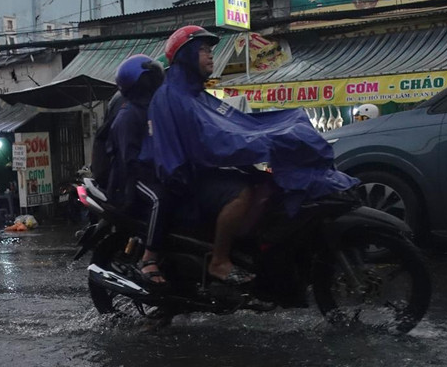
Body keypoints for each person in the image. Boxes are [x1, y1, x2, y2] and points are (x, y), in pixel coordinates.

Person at [144, 25, 356, 285]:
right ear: (185, 55)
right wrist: (262, 142)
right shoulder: (170, 97)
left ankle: (248, 249)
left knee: (268, 184)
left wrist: (274, 132)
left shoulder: (197, 95)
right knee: (240, 195)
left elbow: (235, 125)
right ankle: (219, 260)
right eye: (203, 50)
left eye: (210, 50)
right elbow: (209, 142)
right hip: (187, 177)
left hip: (210, 168)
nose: (211, 55)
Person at [108, 54, 168, 284]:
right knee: (160, 200)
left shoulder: (153, 109)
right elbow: (129, 160)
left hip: (155, 173)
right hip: (131, 179)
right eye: (149, 79)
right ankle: (149, 258)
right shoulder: (129, 114)